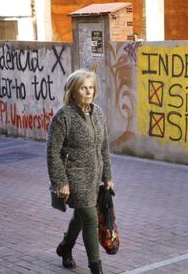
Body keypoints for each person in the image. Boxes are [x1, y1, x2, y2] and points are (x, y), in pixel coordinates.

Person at [46, 69, 114, 273]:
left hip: (94, 177)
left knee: (81, 216)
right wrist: (60, 182)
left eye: (91, 88)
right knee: (91, 219)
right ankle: (96, 267)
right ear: (73, 91)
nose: (88, 92)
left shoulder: (98, 113)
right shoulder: (63, 116)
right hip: (74, 176)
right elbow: (52, 152)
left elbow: (104, 147)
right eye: (83, 88)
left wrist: (108, 176)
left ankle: (65, 248)